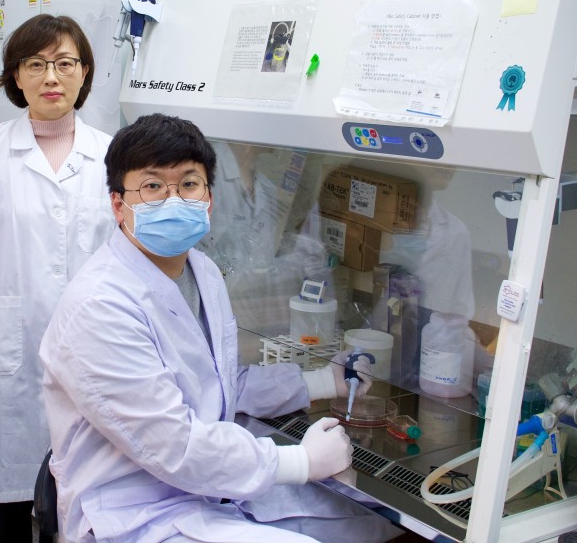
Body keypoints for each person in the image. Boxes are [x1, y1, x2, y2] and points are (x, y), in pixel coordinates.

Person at [39, 113, 402, 542]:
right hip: (135, 510)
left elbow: (222, 382)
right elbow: (173, 445)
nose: (173, 201)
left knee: (370, 523)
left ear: (208, 199)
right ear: (119, 205)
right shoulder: (100, 306)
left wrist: (324, 380)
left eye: (189, 184)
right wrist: (298, 463)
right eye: (153, 186)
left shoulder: (202, 272)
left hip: (206, 489)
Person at [0, 13, 114, 540]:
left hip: (91, 349)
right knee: (10, 496)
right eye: (36, 64)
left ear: (85, 73)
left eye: (65, 63)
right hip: (9, 348)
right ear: (15, 77)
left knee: (87, 499)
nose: (52, 77)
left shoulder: (113, 154)